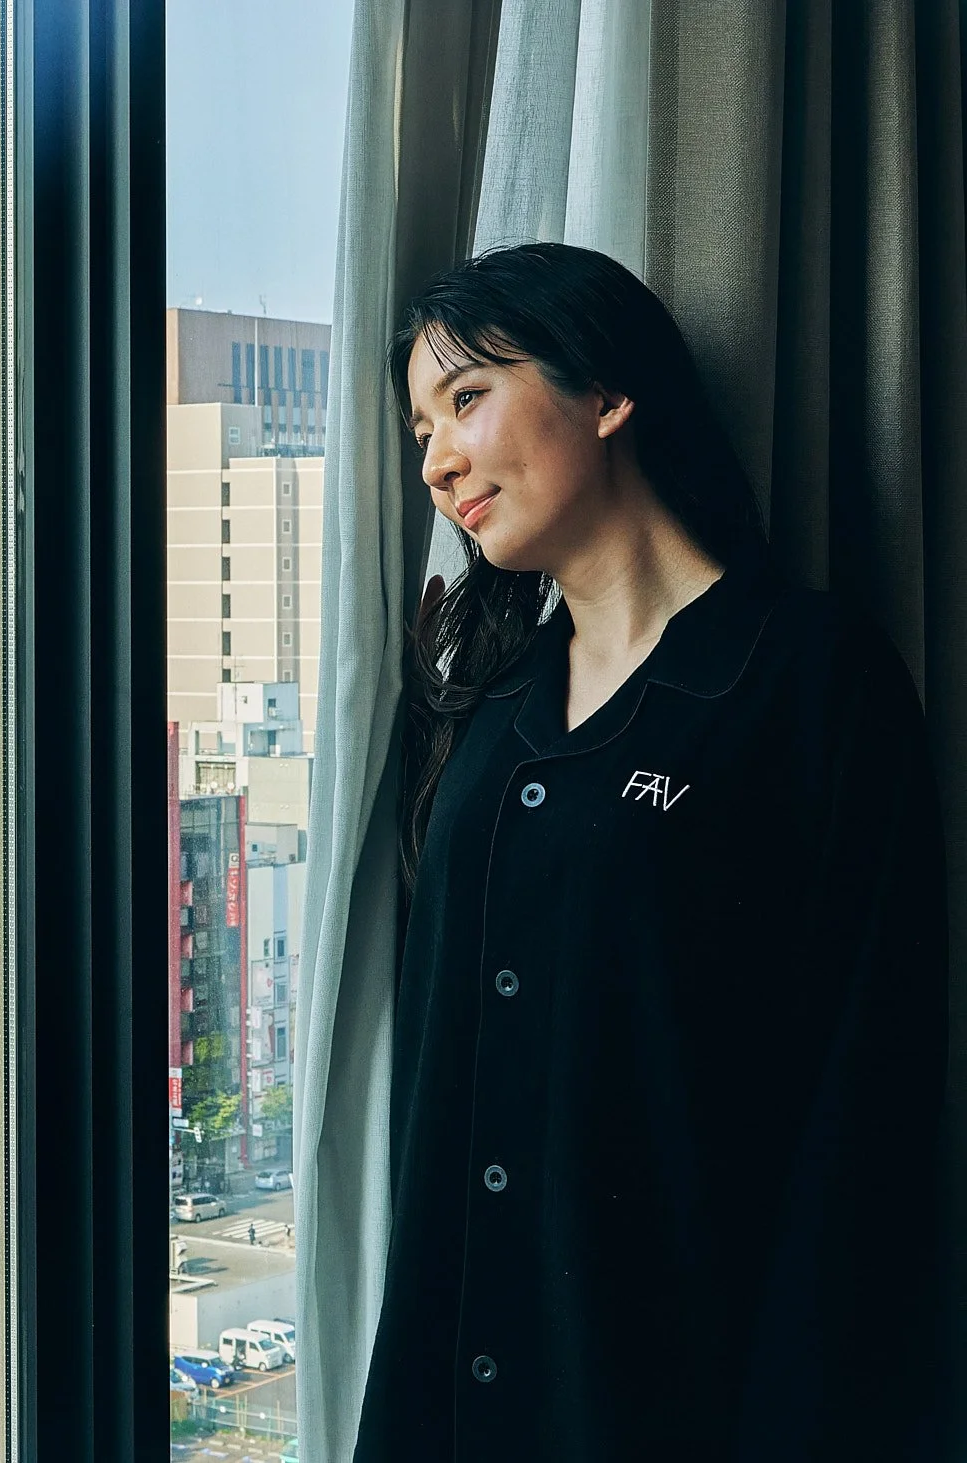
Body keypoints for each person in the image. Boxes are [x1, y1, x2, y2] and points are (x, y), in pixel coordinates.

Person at [352, 242, 944, 1461]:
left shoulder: (807, 683)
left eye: (466, 397)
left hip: (682, 1395)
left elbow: (866, 1104)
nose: (436, 459)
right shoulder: (488, 712)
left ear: (607, 391)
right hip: (455, 1399)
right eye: (420, 428)